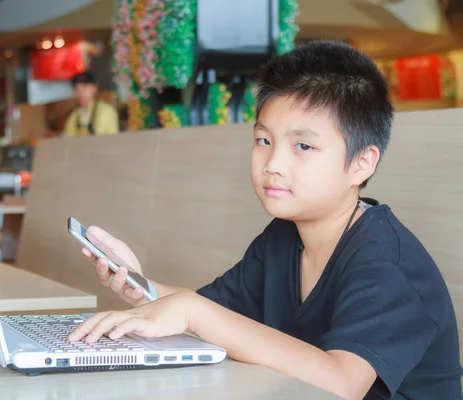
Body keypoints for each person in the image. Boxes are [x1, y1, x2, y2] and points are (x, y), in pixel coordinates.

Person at [69, 41, 462, 399]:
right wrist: (139, 285)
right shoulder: (284, 236)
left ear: (362, 163)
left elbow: (343, 382)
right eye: (263, 141)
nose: (272, 164)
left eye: (303, 146)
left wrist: (192, 310)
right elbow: (213, 311)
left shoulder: (387, 262)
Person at [64, 72, 119, 136]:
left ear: (95, 88)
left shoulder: (107, 111)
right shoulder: (74, 115)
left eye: (85, 88)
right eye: (77, 89)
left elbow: (111, 140)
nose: (81, 93)